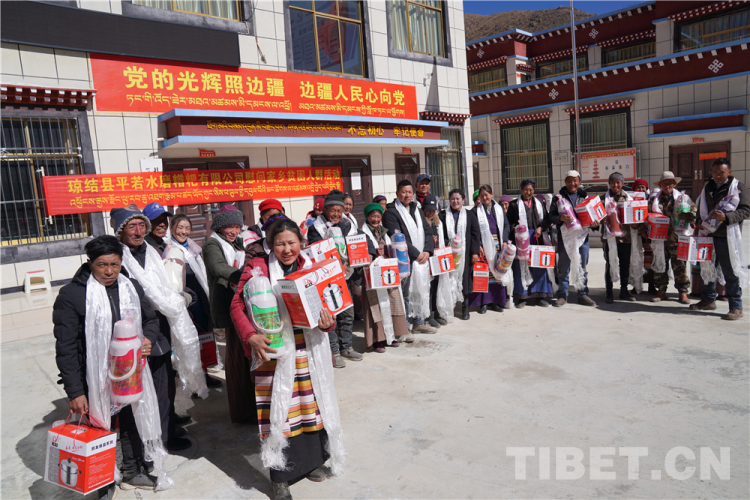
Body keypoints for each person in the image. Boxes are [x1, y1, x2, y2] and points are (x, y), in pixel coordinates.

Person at [230, 216, 345, 500]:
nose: (287, 249)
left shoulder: (312, 267)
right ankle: (279, 475)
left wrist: (328, 323)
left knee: (310, 405)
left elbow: (329, 306)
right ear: (270, 245)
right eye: (279, 244)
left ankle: (312, 463)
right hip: (275, 350)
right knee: (278, 411)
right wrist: (250, 336)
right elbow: (236, 305)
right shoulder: (257, 267)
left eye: (291, 242)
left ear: (300, 242)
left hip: (309, 349)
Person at [53, 235, 161, 495]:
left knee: (131, 421)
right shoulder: (72, 295)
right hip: (93, 378)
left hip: (129, 373)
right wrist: (75, 392)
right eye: (102, 265)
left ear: (121, 262)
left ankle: (132, 471)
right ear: (90, 263)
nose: (109, 271)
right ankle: (101, 482)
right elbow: (66, 347)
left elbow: (151, 319)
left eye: (114, 264)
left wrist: (148, 338)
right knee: (101, 427)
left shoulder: (130, 287)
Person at [111, 205, 199, 453]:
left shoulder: (150, 251)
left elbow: (165, 285)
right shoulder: (119, 258)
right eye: (132, 226)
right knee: (141, 387)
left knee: (164, 382)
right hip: (133, 330)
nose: (138, 231)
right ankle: (150, 437)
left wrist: (181, 297)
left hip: (158, 324)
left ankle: (165, 431)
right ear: (120, 231)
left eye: (142, 225)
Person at [202, 205, 256, 422]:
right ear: (219, 226)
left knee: (245, 357)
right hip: (228, 305)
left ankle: (250, 404)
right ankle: (241, 411)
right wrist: (244, 277)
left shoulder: (236, 242)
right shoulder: (212, 245)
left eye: (237, 226)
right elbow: (218, 267)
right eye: (229, 226)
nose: (234, 231)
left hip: (241, 302)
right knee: (236, 358)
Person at [307, 190, 373, 367]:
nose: (336, 214)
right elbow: (318, 251)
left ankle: (347, 347)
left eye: (339, 210)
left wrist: (368, 253)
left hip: (346, 276)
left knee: (347, 313)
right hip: (326, 279)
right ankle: (334, 351)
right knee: (332, 315)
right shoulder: (315, 229)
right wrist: (337, 264)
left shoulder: (348, 224)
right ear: (325, 210)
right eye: (333, 210)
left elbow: (361, 240)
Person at [164, 214, 223, 389]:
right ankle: (193, 381)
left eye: (187, 228)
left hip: (200, 300)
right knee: (189, 340)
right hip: (186, 302)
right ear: (172, 228)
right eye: (180, 227)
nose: (184, 232)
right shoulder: (169, 249)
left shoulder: (193, 249)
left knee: (203, 337)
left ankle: (204, 374)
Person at [690, 158, 750, 320]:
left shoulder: (738, 187)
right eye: (715, 172)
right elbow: (700, 208)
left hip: (726, 236)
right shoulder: (707, 187)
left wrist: (726, 217)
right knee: (707, 269)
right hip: (707, 235)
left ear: (729, 172)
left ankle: (736, 306)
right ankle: (708, 300)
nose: (717, 176)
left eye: (721, 173)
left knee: (730, 271)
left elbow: (746, 210)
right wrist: (699, 221)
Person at [383, 180, 437, 334]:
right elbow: (397, 237)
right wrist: (416, 254)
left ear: (413, 194)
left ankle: (419, 322)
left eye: (409, 192)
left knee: (420, 288)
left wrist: (427, 250)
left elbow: (427, 231)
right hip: (404, 259)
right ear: (397, 193)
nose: (406, 195)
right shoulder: (391, 213)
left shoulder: (417, 210)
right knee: (405, 293)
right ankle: (405, 326)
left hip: (421, 257)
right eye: (403, 192)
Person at [361, 203, 408, 351]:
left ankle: (391, 335)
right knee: (375, 306)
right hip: (372, 275)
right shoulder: (361, 233)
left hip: (387, 273)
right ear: (367, 217)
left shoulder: (384, 232)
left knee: (392, 302)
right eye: (372, 216)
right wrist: (375, 252)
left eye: (378, 216)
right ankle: (378, 339)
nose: (375, 219)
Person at [548, 171, 597, 307]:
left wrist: (595, 223)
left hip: (582, 238)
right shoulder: (558, 198)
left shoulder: (585, 197)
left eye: (575, 180)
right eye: (569, 180)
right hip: (565, 238)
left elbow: (593, 216)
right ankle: (562, 295)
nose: (572, 183)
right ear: (565, 182)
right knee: (563, 268)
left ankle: (582, 294)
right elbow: (551, 217)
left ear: (579, 182)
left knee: (582, 266)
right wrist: (561, 218)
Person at [648, 172, 696, 304]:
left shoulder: (683, 198)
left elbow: (694, 213)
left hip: (677, 238)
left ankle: (683, 292)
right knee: (660, 265)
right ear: (660, 184)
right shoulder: (654, 199)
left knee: (680, 266)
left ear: (674, 184)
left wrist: (688, 216)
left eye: (670, 183)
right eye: (664, 183)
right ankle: (661, 291)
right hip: (660, 239)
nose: (667, 185)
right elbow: (648, 215)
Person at [507, 180, 554, 307]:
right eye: (526, 190)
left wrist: (541, 228)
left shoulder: (539, 203)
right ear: (521, 190)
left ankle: (540, 295)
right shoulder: (514, 205)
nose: (528, 192)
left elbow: (547, 219)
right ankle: (522, 296)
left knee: (539, 266)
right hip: (521, 239)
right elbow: (508, 222)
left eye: (531, 190)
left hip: (536, 237)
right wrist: (516, 228)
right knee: (521, 267)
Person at [469, 184, 510, 313]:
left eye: (486, 195)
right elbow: (473, 230)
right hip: (483, 246)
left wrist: (504, 241)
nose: (484, 198)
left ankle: (496, 301)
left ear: (492, 194)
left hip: (498, 244)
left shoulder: (499, 209)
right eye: (482, 196)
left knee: (497, 274)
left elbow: (506, 226)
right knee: (484, 274)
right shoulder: (475, 211)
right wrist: (478, 245)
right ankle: (484, 303)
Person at [440, 189, 480, 320]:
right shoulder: (443, 215)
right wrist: (449, 242)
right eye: (452, 199)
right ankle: (449, 308)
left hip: (465, 253)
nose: (455, 201)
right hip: (448, 253)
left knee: (465, 280)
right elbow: (440, 233)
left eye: (458, 199)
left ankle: (465, 308)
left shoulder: (469, 215)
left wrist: (475, 252)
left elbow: (475, 234)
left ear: (463, 200)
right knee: (448, 280)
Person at [599, 172, 639, 304]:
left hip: (625, 238)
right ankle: (609, 292)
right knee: (610, 264)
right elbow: (596, 218)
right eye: (613, 182)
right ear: (609, 183)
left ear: (622, 183)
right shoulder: (602, 199)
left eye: (618, 182)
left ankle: (624, 291)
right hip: (609, 239)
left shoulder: (629, 199)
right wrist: (601, 220)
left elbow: (636, 217)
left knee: (625, 264)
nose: (615, 185)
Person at [422, 194, 447, 327]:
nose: (431, 213)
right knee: (428, 288)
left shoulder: (438, 222)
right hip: (427, 259)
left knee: (437, 286)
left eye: (433, 210)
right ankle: (428, 315)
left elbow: (441, 240)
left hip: (437, 259)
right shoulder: (421, 221)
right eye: (428, 210)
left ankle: (437, 312)